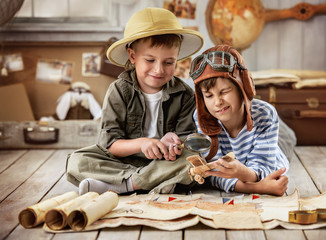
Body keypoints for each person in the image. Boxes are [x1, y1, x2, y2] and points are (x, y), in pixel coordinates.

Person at [66, 7, 204, 195]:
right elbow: (110, 145)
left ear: (177, 59)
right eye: (150, 60)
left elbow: (187, 140)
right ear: (132, 56)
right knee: (77, 160)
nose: (159, 70)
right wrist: (142, 144)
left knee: (193, 158)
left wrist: (175, 143)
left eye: (169, 62)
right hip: (123, 162)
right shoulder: (119, 90)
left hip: (164, 163)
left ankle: (124, 186)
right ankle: (152, 182)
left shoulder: (185, 95)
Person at [191, 45, 296, 196]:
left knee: (288, 137)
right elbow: (214, 173)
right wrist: (258, 188)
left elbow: (265, 169)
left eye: (224, 92)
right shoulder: (202, 117)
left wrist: (245, 173)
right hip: (246, 153)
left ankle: (284, 127)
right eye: (209, 96)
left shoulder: (265, 114)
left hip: (275, 148)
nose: (217, 102)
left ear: (243, 88)